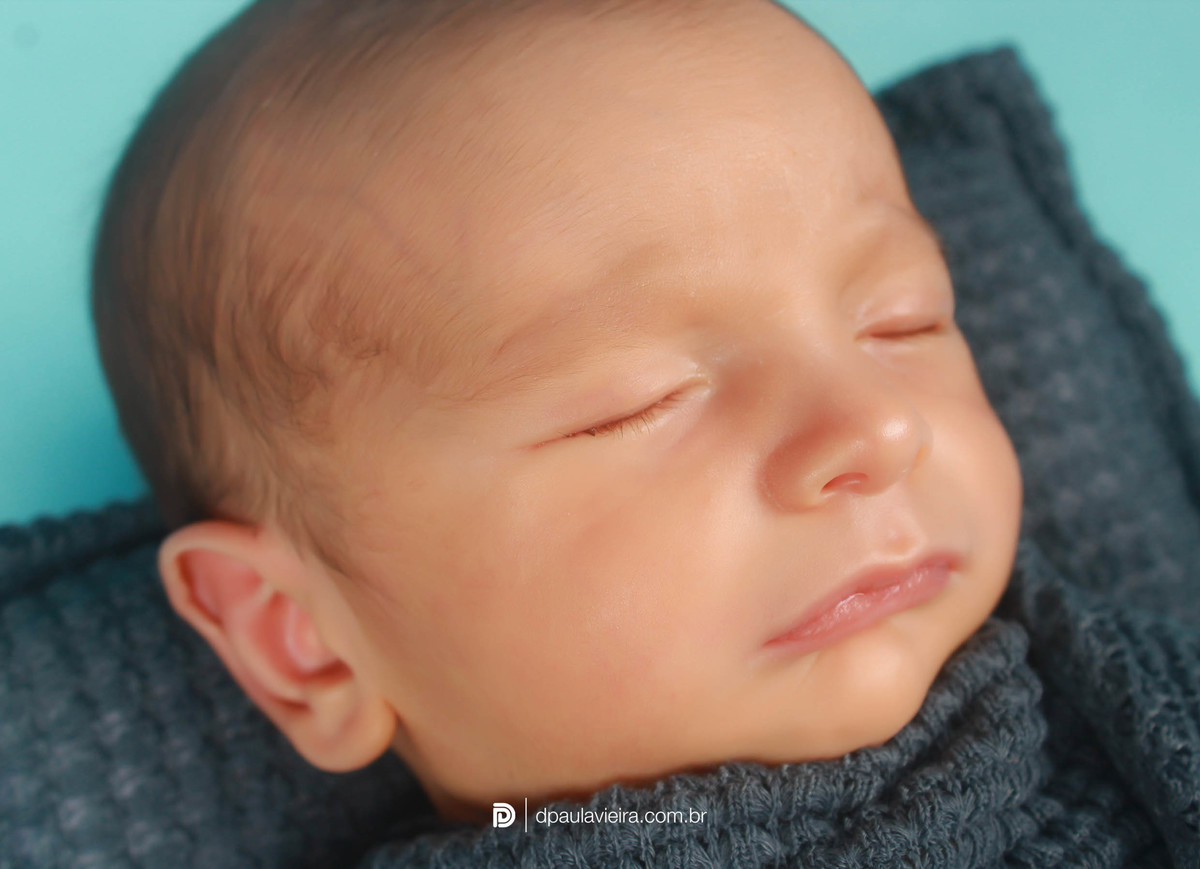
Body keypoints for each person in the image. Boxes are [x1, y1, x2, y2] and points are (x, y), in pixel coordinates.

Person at [89, 1, 1197, 864]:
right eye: (639, 399)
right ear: (305, 639)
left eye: (901, 320)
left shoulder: (1138, 700)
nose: (876, 425)